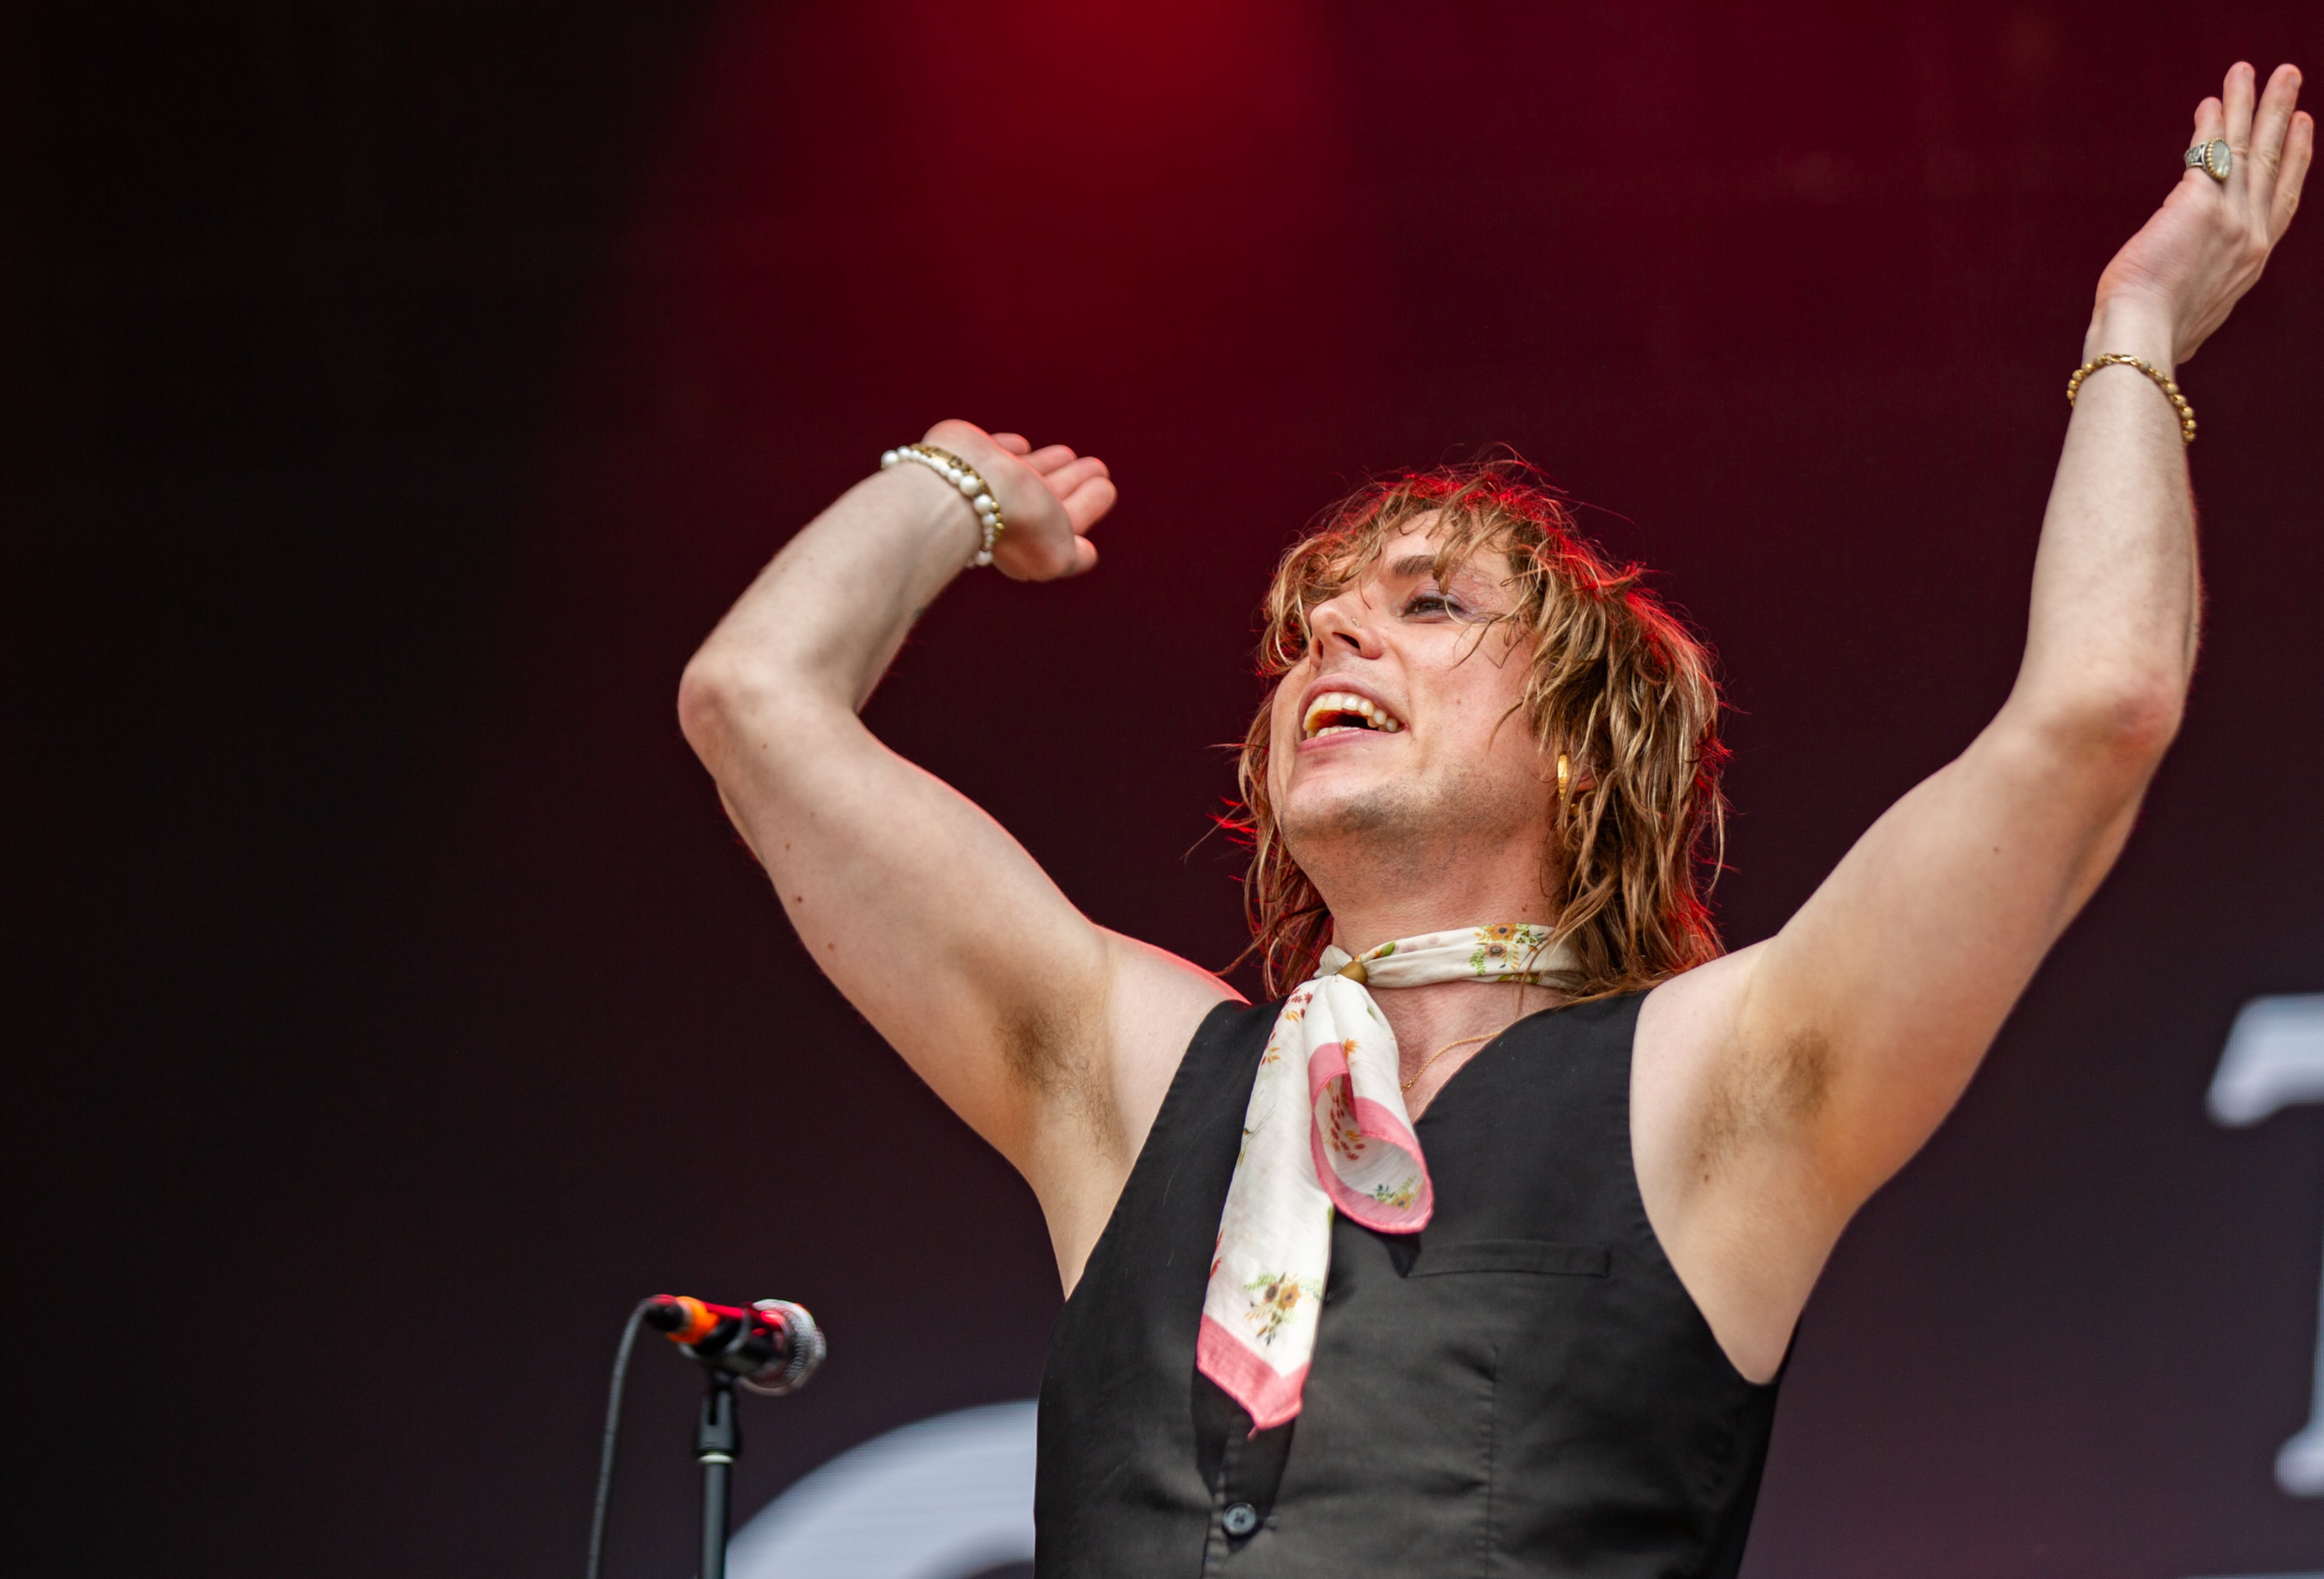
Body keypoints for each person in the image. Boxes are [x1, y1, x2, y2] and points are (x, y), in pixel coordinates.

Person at [678, 62, 2311, 1578]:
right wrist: (953, 483)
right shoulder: (1133, 1073)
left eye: (1431, 604)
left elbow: (2091, 715)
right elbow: (756, 703)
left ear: (1581, 756)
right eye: (1308, 628)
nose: (1337, 639)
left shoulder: (1714, 1090)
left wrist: (2138, 333)